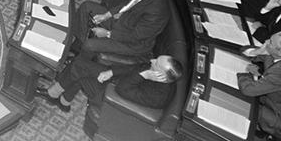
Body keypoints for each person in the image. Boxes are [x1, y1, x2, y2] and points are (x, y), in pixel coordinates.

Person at [71, 0, 171, 57]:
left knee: (89, 44)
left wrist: (107, 34)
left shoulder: (156, 12)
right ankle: (78, 44)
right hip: (123, 22)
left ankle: (79, 56)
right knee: (87, 6)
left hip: (132, 43)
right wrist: (106, 15)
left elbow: (136, 36)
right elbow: (127, 3)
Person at [37, 54, 182, 114]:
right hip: (117, 80)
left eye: (156, 63)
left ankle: (53, 95)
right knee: (79, 64)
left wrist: (142, 75)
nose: (152, 60)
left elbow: (122, 90)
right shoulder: (155, 70)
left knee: (79, 71)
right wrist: (111, 71)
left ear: (161, 76)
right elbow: (133, 67)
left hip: (112, 97)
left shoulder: (157, 96)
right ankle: (63, 101)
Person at [238, 31, 281, 141]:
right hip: (269, 101)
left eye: (271, 42)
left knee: (239, 106)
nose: (266, 42)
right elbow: (244, 50)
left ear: (280, 52)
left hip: (280, 120)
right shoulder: (275, 54)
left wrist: (244, 73)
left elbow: (248, 89)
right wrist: (258, 51)